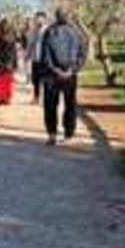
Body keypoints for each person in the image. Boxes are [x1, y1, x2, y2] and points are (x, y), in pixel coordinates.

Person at [41, 8, 86, 146]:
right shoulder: (51, 32)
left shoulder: (74, 32)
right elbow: (46, 55)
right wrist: (68, 70)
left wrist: (72, 70)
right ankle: (56, 134)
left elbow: (81, 53)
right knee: (57, 105)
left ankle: (63, 133)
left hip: (61, 74)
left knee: (65, 105)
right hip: (56, 75)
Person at [0, 18, 17, 105]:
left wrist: (13, 63)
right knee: (1, 80)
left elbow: (13, 50)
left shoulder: (10, 36)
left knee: (7, 81)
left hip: (8, 60)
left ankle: (6, 98)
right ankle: (2, 98)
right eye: (2, 25)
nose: (4, 26)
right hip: (1, 60)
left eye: (5, 25)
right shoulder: (0, 35)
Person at [26, 11, 48, 104]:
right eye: (36, 18)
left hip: (45, 59)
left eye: (40, 18)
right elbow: (30, 44)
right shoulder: (33, 31)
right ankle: (36, 97)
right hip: (35, 58)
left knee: (46, 80)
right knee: (36, 79)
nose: (38, 20)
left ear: (44, 19)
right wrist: (27, 55)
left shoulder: (48, 30)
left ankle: (46, 98)